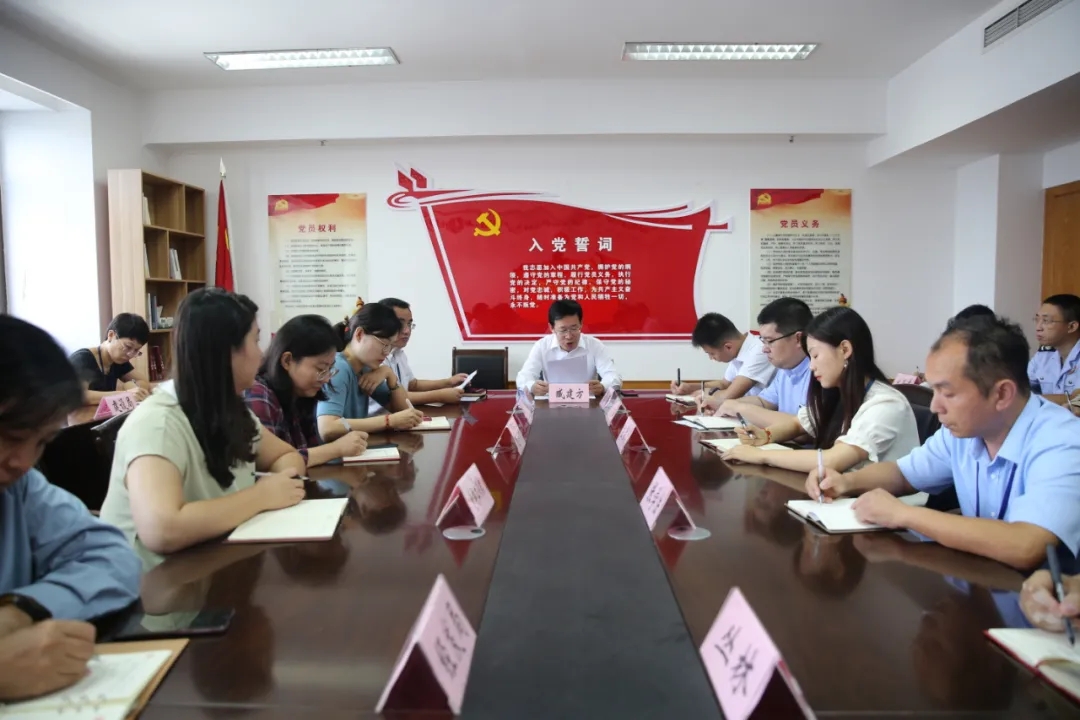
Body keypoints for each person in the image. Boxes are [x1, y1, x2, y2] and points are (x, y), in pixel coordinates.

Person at [807, 314, 1080, 572]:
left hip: (1042, 596)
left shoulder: (1061, 441)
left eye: (947, 393)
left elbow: (1026, 544)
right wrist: (845, 482)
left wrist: (904, 515)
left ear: (1002, 394)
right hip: (982, 580)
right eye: (933, 389)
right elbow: (903, 474)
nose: (935, 407)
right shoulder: (964, 431)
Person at [99, 288, 308, 562]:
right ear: (225, 352)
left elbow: (287, 455)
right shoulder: (158, 422)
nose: (261, 355)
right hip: (153, 581)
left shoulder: (230, 410)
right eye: (256, 341)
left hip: (217, 562)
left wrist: (282, 481)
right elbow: (163, 530)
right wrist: (262, 496)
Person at [0, 316, 141, 701]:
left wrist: (20, 611)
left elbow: (113, 557)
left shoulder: (19, 489)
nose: (23, 461)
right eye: (10, 437)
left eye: (41, 443)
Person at [723, 306, 919, 473]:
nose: (811, 366)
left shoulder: (885, 403)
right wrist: (766, 435)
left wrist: (760, 455)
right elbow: (799, 424)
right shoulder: (840, 393)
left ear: (845, 350)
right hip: (850, 496)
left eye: (815, 356)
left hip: (887, 502)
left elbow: (833, 460)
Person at [244, 315, 369, 467]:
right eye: (321, 369)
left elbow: (309, 453)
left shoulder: (302, 395)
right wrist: (336, 449)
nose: (326, 379)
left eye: (330, 369)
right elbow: (272, 464)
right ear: (287, 361)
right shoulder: (259, 396)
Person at [316, 302, 423, 441]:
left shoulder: (365, 368)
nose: (386, 352)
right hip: (333, 453)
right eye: (384, 344)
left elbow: (404, 412)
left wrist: (390, 375)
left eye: (390, 346)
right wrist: (388, 421)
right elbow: (328, 427)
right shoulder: (339, 368)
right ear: (359, 334)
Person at [714, 297, 813, 425]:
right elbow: (764, 402)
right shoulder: (785, 369)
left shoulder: (819, 372)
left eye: (770, 341)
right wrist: (723, 405)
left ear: (798, 339)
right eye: (763, 341)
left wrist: (739, 408)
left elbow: (805, 426)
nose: (764, 349)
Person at [516, 299, 621, 398]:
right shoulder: (542, 346)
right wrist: (532, 387)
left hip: (589, 403)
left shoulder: (595, 345)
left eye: (574, 328)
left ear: (581, 324)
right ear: (552, 327)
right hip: (550, 403)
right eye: (563, 330)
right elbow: (523, 377)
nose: (569, 336)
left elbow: (613, 376)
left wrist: (603, 386)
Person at [374, 298, 470, 407]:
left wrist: (448, 382)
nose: (407, 331)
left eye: (409, 324)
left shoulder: (399, 353)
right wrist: (439, 395)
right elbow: (392, 398)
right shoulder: (375, 357)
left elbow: (413, 385)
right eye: (400, 324)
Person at [670, 312, 774, 402]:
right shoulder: (739, 349)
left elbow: (729, 395)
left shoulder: (759, 351)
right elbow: (724, 384)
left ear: (728, 347)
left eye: (712, 353)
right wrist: (690, 387)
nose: (711, 358)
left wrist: (706, 394)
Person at [69, 313, 152, 405]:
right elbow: (78, 395)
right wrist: (124, 394)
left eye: (136, 350)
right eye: (128, 347)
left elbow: (143, 381)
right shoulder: (83, 359)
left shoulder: (118, 361)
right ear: (111, 335)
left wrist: (134, 389)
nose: (130, 355)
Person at [1029, 293, 1080, 395]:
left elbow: (1077, 399)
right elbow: (1022, 389)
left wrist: (1037, 399)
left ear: (1071, 327)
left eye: (1046, 321)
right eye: (1037, 320)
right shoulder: (1043, 356)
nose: (1038, 328)